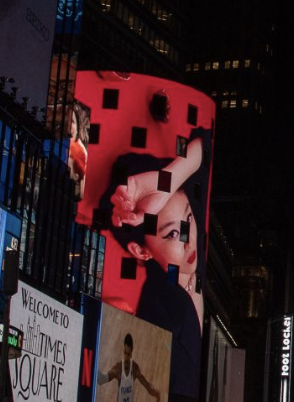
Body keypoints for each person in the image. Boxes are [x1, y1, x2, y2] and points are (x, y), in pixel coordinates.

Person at [103, 135, 206, 399]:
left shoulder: (185, 269)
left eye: (189, 219)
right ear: (141, 251)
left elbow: (203, 146)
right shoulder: (162, 301)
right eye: (172, 234)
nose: (189, 239)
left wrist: (165, 182)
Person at [97, 333, 161, 402]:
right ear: (123, 350)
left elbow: (147, 386)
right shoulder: (118, 369)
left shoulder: (135, 369)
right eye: (125, 353)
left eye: (128, 354)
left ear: (131, 353)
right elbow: (101, 380)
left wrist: (156, 394)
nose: (126, 357)